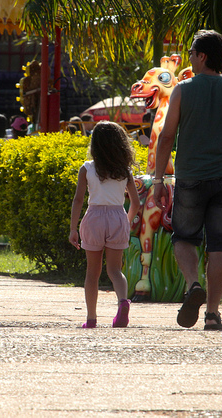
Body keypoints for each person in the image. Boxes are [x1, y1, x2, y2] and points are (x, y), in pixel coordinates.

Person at [153, 29, 222, 331]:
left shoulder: (183, 90)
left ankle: (193, 285)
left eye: (191, 52)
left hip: (191, 177)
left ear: (202, 56)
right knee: (219, 246)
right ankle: (213, 315)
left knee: (184, 238)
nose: (189, 57)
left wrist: (158, 180)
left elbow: (165, 138)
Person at [69, 121, 140, 328]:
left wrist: (73, 228)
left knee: (92, 273)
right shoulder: (124, 171)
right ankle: (122, 303)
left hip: (94, 218)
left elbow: (78, 200)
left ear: (95, 144)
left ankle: (91, 319)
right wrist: (125, 222)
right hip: (118, 216)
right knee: (115, 270)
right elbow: (135, 203)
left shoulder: (87, 168)